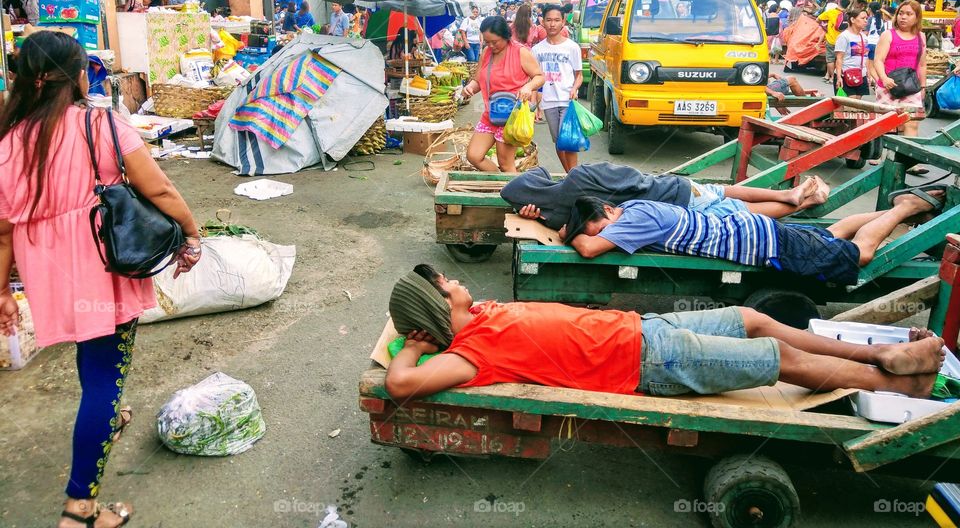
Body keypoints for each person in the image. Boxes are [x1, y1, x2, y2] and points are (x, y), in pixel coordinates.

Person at [0, 32, 201, 528]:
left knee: (93, 361)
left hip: (47, 273)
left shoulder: (8, 139)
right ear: (78, 76)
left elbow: (3, 231)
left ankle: (108, 418)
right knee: (104, 377)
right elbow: (159, 187)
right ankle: (80, 511)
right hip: (103, 266)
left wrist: (3, 290)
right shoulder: (101, 123)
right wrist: (192, 236)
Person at [383, 264, 944, 402]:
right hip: (652, 364)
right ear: (435, 308)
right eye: (444, 282)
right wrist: (414, 343)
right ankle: (895, 384)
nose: (454, 279)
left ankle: (884, 352)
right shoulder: (471, 354)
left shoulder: (480, 313)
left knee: (754, 319)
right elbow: (401, 386)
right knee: (775, 355)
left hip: (646, 329)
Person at [564, 187, 943, 286]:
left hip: (764, 243)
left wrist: (573, 235)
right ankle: (921, 212)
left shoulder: (634, 218)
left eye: (602, 227)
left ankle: (905, 208)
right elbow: (590, 236)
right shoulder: (632, 209)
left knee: (857, 254)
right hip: (757, 234)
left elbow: (588, 249)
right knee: (834, 233)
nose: (606, 235)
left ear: (609, 212)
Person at [502, 164, 828, 233]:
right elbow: (631, 177)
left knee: (739, 212)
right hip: (673, 190)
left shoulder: (560, 218)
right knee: (723, 192)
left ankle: (799, 201)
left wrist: (538, 215)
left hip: (672, 207)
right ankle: (788, 195)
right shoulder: (578, 176)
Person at [460, 16, 544, 173]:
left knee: (506, 164)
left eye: (495, 41)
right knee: (474, 156)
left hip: (511, 117)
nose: (491, 46)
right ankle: (502, 186)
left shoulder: (520, 52)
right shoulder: (486, 52)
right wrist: (469, 88)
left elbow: (540, 77)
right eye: (487, 42)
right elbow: (478, 80)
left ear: (505, 36)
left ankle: (516, 196)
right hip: (490, 114)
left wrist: (528, 86)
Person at [531, 4, 583, 173]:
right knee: (558, 141)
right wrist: (535, 105)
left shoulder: (572, 47)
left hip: (568, 100)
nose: (552, 24)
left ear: (563, 23)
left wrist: (575, 88)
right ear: (542, 22)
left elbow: (579, 75)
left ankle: (573, 175)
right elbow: (535, 79)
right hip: (548, 101)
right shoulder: (537, 50)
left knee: (568, 139)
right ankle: (570, 174)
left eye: (556, 20)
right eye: (549, 20)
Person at [873, 0, 926, 143]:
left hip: (911, 87)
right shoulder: (888, 35)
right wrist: (884, 78)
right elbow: (878, 60)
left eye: (909, 14)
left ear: (917, 17)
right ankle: (881, 156)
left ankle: (907, 159)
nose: (903, 17)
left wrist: (923, 87)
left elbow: (922, 65)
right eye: (901, 13)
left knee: (912, 122)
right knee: (885, 123)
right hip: (888, 86)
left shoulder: (921, 37)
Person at [833, 8, 870, 98]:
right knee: (849, 104)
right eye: (862, 18)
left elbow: (866, 57)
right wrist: (838, 77)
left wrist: (868, 74)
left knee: (857, 104)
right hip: (846, 75)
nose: (865, 21)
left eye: (866, 18)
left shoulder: (864, 37)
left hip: (861, 75)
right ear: (852, 20)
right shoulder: (844, 36)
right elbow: (839, 58)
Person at [818, 0, 850, 85]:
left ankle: (832, 78)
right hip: (842, 41)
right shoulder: (848, 15)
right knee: (839, 59)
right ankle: (836, 77)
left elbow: (818, 19)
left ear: (839, 2)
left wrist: (826, 27)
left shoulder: (831, 12)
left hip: (831, 40)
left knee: (830, 60)